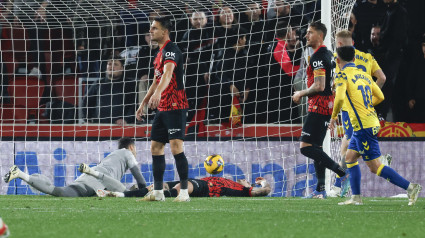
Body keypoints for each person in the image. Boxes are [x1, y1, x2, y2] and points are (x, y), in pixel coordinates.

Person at [329, 46, 422, 205]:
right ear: (354, 59)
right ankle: (356, 198)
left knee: (375, 167)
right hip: (369, 122)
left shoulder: (342, 75)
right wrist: (366, 105)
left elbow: (338, 99)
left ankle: (411, 188)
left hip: (363, 126)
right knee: (350, 158)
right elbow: (380, 96)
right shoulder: (364, 74)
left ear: (338, 61)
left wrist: (333, 118)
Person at [328, 30, 391, 197]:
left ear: (339, 45)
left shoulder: (338, 58)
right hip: (366, 108)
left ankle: (338, 185)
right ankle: (341, 182)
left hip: (351, 110)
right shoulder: (366, 57)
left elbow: (338, 84)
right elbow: (382, 78)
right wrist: (367, 100)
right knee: (347, 146)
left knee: (348, 145)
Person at [135, 17, 190, 202]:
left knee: (176, 148)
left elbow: (168, 74)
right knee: (156, 147)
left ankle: (183, 192)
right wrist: (144, 102)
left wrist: (158, 94)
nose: (151, 31)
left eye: (154, 28)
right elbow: (156, 79)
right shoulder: (158, 53)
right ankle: (158, 192)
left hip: (176, 105)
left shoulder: (171, 51)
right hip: (162, 107)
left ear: (164, 31)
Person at [292, 22, 347, 199]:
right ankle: (320, 190)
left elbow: (319, 85)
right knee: (316, 148)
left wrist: (300, 92)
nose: (306, 36)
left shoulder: (318, 56)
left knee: (305, 147)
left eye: (310, 32)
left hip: (319, 106)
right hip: (327, 105)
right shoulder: (330, 55)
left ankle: (341, 173)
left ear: (320, 36)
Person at [3, 137, 147, 197]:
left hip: (90, 177)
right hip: (98, 181)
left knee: (62, 192)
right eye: (135, 150)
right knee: (61, 193)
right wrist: (144, 191)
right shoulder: (127, 153)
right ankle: (21, 174)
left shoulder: (113, 156)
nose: (135, 153)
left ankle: (22, 175)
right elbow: (140, 179)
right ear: (131, 147)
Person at [259, 22, 301, 123]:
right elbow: (290, 71)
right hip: (280, 92)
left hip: (274, 89)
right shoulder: (279, 47)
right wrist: (304, 66)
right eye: (291, 31)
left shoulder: (274, 45)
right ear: (288, 34)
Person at [375, 0, 408, 121]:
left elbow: (399, 37)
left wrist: (389, 55)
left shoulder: (400, 11)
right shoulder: (388, 9)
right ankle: (379, 113)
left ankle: (382, 115)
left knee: (388, 85)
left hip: (393, 57)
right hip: (386, 55)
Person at [179, 11, 214, 122]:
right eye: (195, 19)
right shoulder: (187, 35)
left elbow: (214, 54)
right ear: (191, 20)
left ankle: (207, 114)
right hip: (192, 70)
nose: (198, 21)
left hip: (210, 68)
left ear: (206, 20)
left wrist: (208, 70)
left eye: (201, 19)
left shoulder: (211, 33)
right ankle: (190, 113)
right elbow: (183, 53)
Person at [97, 176, 271, 198]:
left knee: (182, 187)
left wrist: (261, 182)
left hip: (206, 188)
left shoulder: (244, 190)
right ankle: (119, 194)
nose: (243, 180)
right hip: (199, 180)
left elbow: (266, 190)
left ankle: (160, 196)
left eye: (246, 181)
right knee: (158, 184)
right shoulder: (230, 180)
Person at [83, 55, 137, 125]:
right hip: (100, 127)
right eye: (109, 64)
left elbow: (134, 105)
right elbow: (86, 102)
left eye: (115, 64)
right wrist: (88, 119)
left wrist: (126, 119)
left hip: (122, 127)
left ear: (122, 68)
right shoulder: (98, 83)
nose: (111, 67)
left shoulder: (130, 84)